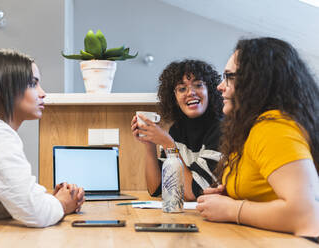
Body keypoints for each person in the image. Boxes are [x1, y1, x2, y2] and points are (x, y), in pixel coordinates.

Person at [0, 49, 85, 239]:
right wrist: (62, 204)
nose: (42, 93)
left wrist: (51, 201)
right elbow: (35, 211)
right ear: (2, 91)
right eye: (33, 84)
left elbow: (24, 199)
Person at [196, 37, 319, 236]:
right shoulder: (250, 128)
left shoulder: (273, 126)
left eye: (229, 76)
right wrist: (231, 196)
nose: (220, 86)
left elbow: (308, 215)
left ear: (257, 82)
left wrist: (232, 209)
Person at [131, 60, 223, 201]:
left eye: (198, 85)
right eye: (182, 89)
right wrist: (149, 143)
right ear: (174, 97)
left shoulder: (222, 129)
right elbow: (156, 188)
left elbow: (193, 192)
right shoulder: (177, 129)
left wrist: (169, 145)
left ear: (210, 90)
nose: (190, 93)